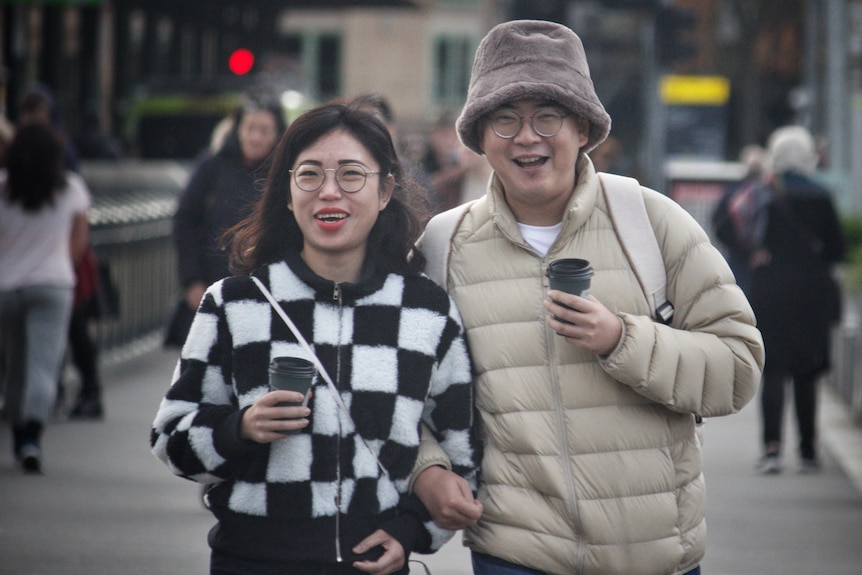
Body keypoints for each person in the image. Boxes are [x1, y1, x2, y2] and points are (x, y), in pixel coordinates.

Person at [409, 20, 764, 575]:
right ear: (480, 137)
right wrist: (427, 468)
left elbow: (739, 370)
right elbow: (401, 388)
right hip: (514, 552)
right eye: (505, 119)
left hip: (651, 554)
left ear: (582, 128)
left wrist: (623, 338)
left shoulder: (650, 221)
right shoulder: (442, 246)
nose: (527, 137)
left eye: (547, 116)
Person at [151, 102, 479, 575]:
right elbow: (170, 437)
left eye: (351, 175)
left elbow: (463, 452)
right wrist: (238, 429)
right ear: (287, 191)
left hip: (372, 563)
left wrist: (412, 533)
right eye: (309, 175)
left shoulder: (425, 310)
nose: (329, 192)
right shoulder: (235, 303)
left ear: (385, 190)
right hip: (251, 559)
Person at [747, 126, 846, 474]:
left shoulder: (766, 193)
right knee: (807, 371)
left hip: (770, 289)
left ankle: (771, 449)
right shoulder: (820, 195)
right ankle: (807, 450)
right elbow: (837, 249)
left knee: (772, 369)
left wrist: (754, 254)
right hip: (810, 293)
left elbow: (735, 227)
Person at [0, 123, 90, 473]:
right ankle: (31, 436)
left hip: (6, 285)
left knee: (12, 364)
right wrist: (57, 264)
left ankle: (16, 426)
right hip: (52, 284)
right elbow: (79, 241)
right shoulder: (70, 189)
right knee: (42, 365)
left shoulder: (4, 189)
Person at [167, 90, 287, 348]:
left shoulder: (283, 173)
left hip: (266, 287)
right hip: (213, 280)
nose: (255, 137)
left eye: (265, 130)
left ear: (278, 133)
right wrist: (192, 279)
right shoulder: (212, 164)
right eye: (250, 128)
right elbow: (184, 221)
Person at [16, 82, 104, 419]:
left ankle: (72, 393)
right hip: (55, 266)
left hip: (40, 264)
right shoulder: (62, 164)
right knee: (63, 332)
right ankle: (60, 399)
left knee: (68, 330)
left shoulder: (28, 155)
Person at [710, 144, 768, 293]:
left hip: (736, 256)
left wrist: (734, 244)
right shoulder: (768, 192)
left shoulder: (733, 191)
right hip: (762, 257)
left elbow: (718, 222)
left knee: (738, 293)